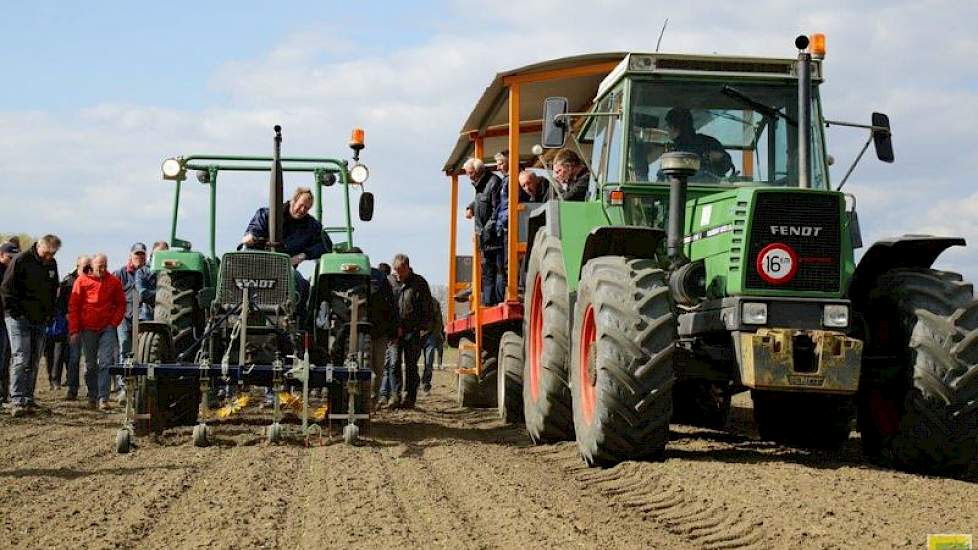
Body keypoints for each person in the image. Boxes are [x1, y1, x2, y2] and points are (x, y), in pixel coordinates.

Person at [242, 187, 331, 322]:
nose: (302, 210)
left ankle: (298, 324)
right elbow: (254, 231)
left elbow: (325, 246)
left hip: (285, 271)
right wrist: (251, 238)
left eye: (306, 208)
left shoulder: (311, 225)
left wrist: (303, 255)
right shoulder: (266, 215)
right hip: (257, 266)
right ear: (292, 201)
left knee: (302, 285)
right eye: (301, 205)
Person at [1, 235, 61, 417]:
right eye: (47, 253)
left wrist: (50, 314)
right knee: (21, 357)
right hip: (18, 318)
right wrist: (14, 312)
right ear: (39, 246)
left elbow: (53, 290)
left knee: (34, 360)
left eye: (53, 254)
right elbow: (6, 288)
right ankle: (17, 400)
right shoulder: (21, 260)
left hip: (40, 319)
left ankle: (28, 398)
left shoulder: (51, 264)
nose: (48, 257)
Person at [69, 253, 126, 411]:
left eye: (105, 266)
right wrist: (74, 329)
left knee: (106, 363)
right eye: (99, 266)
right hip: (87, 328)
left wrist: (114, 322)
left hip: (107, 327)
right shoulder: (81, 281)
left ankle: (103, 398)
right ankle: (92, 396)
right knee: (90, 364)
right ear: (92, 266)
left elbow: (121, 304)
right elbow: (74, 307)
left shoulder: (113, 282)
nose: (102, 269)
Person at [385, 254, 432, 409]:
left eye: (400, 271)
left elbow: (427, 307)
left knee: (411, 365)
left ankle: (410, 397)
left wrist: (423, 328)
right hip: (393, 331)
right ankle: (395, 396)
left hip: (413, 331)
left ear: (407, 268)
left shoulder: (419, 283)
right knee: (393, 363)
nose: (397, 274)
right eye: (395, 271)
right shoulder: (390, 282)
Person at [463, 157, 503, 306]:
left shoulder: (494, 183)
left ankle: (496, 303)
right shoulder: (480, 185)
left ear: (477, 171)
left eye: (469, 173)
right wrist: (471, 207)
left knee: (497, 271)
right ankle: (487, 304)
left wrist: (484, 233)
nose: (468, 177)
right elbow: (480, 200)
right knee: (487, 273)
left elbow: (496, 211)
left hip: (494, 237)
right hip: (485, 238)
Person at [113, 242, 149, 402]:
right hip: (124, 318)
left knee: (141, 352)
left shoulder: (150, 272)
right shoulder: (120, 273)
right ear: (131, 256)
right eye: (136, 255)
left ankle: (139, 388)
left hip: (143, 318)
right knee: (124, 349)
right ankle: (123, 388)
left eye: (142, 255)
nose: (139, 258)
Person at [54, 255, 90, 400]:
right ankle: (72, 389)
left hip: (90, 325)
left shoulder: (95, 280)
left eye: (90, 267)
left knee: (90, 360)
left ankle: (91, 390)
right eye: (85, 267)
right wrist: (67, 315)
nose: (88, 270)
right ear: (77, 267)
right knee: (73, 358)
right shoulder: (68, 282)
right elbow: (61, 302)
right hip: (73, 325)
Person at [664, 107, 733, 180]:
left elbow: (726, 165)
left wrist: (719, 158)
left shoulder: (707, 144)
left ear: (675, 127)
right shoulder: (709, 141)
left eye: (668, 126)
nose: (666, 129)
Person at [0, 241, 20, 405]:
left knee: (6, 358)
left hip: (9, 320)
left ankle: (3, 395)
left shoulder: (16, 271)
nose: (12, 259)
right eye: (9, 257)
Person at [135, 241, 169, 321]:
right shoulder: (142, 272)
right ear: (153, 254)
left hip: (167, 316)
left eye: (164, 254)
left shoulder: (171, 272)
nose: (161, 257)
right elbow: (142, 294)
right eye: (159, 254)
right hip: (147, 315)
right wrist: (164, 295)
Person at [420, 295, 444, 393]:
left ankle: (426, 383)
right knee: (411, 363)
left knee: (429, 362)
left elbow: (438, 320)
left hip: (430, 336)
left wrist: (434, 334)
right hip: (415, 335)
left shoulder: (434, 302)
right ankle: (413, 384)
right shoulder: (414, 299)